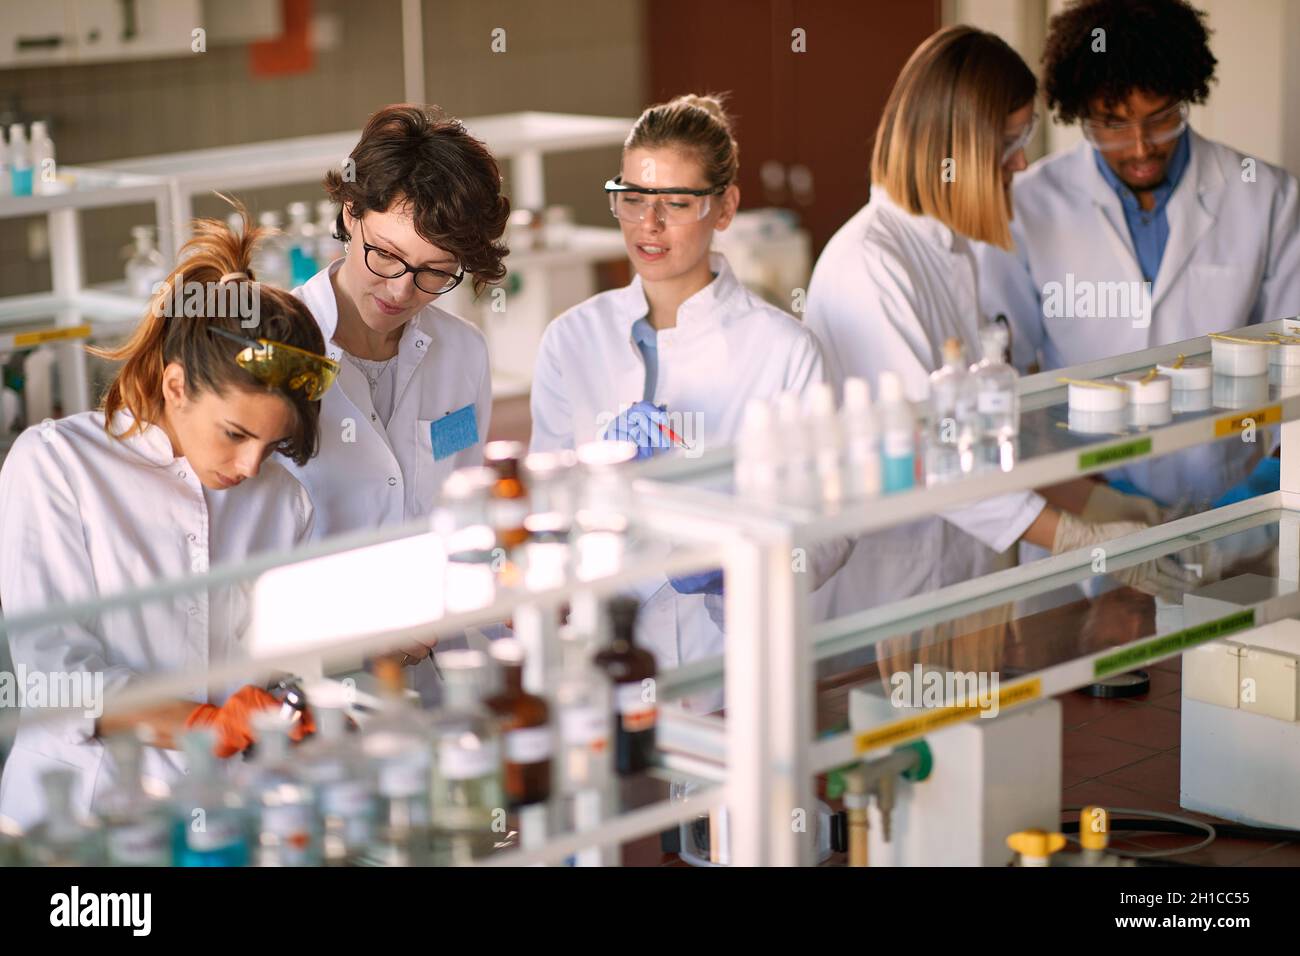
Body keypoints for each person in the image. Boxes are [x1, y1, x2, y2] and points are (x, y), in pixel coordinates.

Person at [805, 25, 1196, 623]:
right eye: (1010, 142)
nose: (1020, 161)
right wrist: (1074, 538)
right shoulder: (869, 264)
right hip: (893, 596)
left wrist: (1099, 503)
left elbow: (984, 442)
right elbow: (934, 459)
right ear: (954, 147)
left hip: (964, 585)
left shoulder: (954, 253)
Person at [0, 207, 335, 830]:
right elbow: (55, 682)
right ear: (176, 385)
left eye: (270, 445)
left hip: (226, 812)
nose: (248, 465)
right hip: (84, 814)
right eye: (235, 434)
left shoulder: (282, 498)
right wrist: (202, 725)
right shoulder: (57, 465)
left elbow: (275, 665)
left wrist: (288, 708)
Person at [529, 93, 844, 668]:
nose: (648, 225)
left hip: (729, 659)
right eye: (632, 199)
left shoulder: (784, 351)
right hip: (601, 655)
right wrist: (591, 480)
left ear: (724, 209)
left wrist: (731, 564)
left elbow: (830, 531)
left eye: (675, 202)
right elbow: (541, 516)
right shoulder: (570, 341)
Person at [975, 0, 1300, 513]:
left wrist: (1267, 486)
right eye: (1112, 124)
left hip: (1226, 503)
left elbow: (1296, 360)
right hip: (1083, 501)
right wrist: (1092, 497)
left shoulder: (1265, 196)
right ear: (1078, 114)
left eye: (1161, 118)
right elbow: (1002, 371)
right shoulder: (1027, 206)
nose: (1141, 147)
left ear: (1187, 96)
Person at [288, 104, 507, 541]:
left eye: (436, 271)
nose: (401, 291)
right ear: (351, 213)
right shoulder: (277, 351)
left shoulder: (464, 351)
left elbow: (467, 511)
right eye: (386, 255)